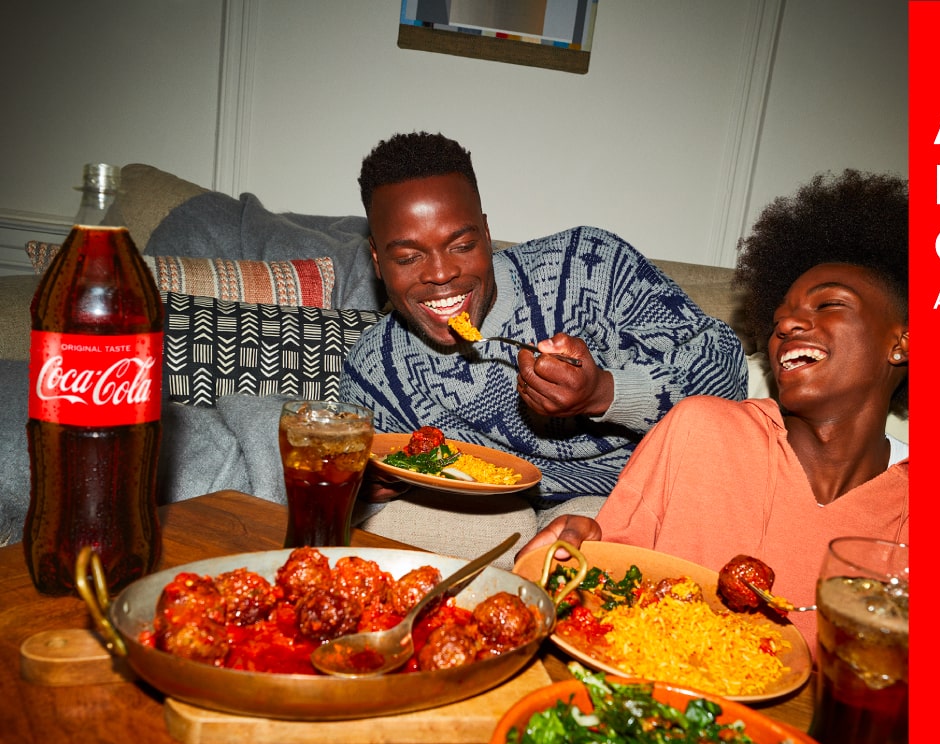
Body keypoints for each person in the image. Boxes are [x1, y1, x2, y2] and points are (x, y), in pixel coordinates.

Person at [520, 169, 909, 650]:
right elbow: (614, 569)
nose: (787, 322)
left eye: (829, 304)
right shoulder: (699, 428)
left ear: (901, 343)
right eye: (779, 316)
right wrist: (579, 542)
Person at [338, 132, 748, 509]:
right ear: (377, 260)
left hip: (631, 500)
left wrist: (603, 392)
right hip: (487, 518)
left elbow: (726, 376)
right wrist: (378, 489)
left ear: (486, 231)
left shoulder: (588, 264)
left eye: (462, 245)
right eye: (409, 257)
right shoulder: (375, 372)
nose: (441, 274)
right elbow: (359, 486)